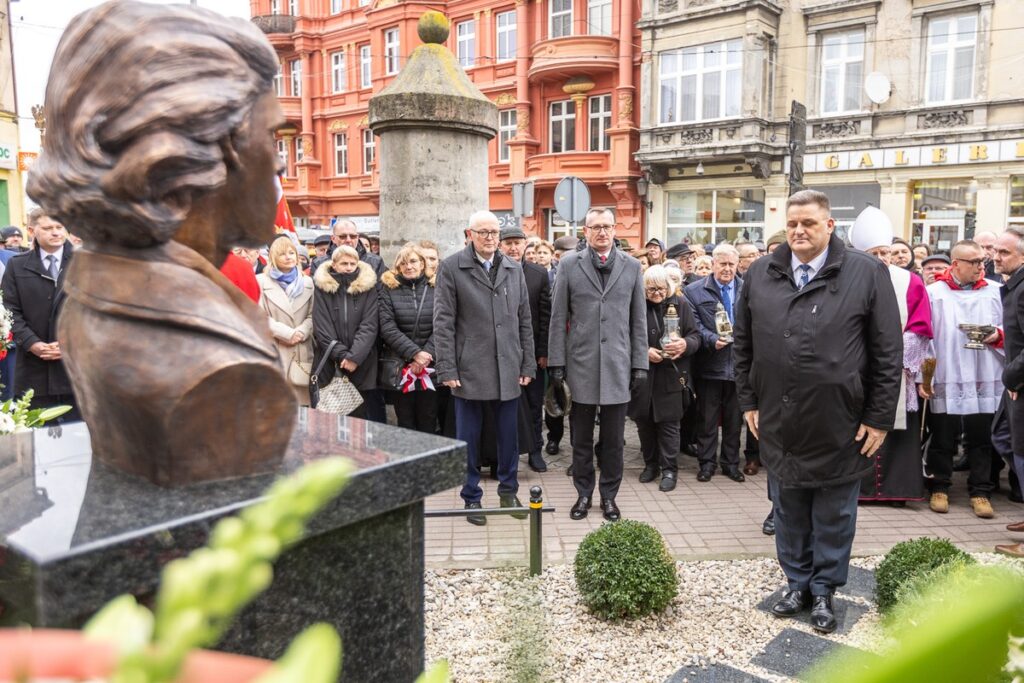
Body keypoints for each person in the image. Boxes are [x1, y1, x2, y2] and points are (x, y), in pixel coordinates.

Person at [734, 189, 902, 634]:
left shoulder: (866, 272)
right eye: (792, 224)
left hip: (841, 420)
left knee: (834, 511)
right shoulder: (761, 273)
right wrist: (748, 401)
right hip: (779, 417)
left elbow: (888, 351)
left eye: (808, 223)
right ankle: (796, 582)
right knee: (787, 506)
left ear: (830, 225)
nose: (798, 231)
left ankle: (825, 588)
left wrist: (879, 417)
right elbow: (743, 345)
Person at [433, 210, 535, 526]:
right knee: (469, 438)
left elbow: (524, 320)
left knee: (509, 436)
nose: (491, 238)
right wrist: (447, 368)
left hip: (508, 366)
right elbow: (443, 322)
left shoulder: (512, 268)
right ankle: (470, 497)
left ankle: (508, 491)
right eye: (483, 232)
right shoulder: (452, 267)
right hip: (469, 368)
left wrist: (527, 361)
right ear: (470, 234)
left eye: (494, 232)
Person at [549, 207, 647, 522]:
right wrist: (556, 363)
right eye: (595, 227)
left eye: (606, 226)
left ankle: (609, 497)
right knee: (579, 438)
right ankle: (582, 494)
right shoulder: (568, 265)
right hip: (580, 365)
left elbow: (639, 320)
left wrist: (639, 363)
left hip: (618, 365)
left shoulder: (632, 267)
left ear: (615, 230)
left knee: (614, 441)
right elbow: (558, 317)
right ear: (585, 231)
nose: (601, 232)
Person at [847, 207, 932, 504]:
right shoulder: (846, 279)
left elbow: (921, 327)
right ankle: (859, 489)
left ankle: (895, 490)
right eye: (875, 252)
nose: (882, 258)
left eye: (886, 251)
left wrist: (892, 347)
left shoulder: (910, 281)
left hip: (896, 372)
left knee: (895, 429)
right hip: (855, 369)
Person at [923, 240, 1004, 518]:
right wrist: (927, 376)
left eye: (983, 261)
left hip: (984, 373)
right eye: (974, 262)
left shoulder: (996, 292)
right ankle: (940, 486)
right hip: (947, 373)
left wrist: (998, 335)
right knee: (943, 434)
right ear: (955, 264)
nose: (981, 266)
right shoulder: (934, 293)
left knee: (981, 437)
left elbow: (1012, 326)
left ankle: (981, 491)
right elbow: (924, 335)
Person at [0, 209, 79, 420]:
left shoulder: (84, 263)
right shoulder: (16, 266)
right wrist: (32, 343)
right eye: (47, 228)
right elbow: (10, 311)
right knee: (40, 441)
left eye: (59, 227)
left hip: (77, 370)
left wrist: (69, 344)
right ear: (31, 230)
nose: (55, 233)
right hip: (34, 371)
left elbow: (95, 313)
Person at [630, 265, 700, 492]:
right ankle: (651, 465)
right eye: (650, 289)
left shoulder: (680, 304)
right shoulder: (636, 305)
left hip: (671, 374)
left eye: (661, 289)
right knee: (644, 423)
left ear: (669, 287)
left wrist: (685, 345)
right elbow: (624, 336)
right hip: (643, 375)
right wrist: (644, 351)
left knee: (670, 425)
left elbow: (695, 336)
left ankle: (670, 469)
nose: (656, 294)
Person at [684, 244, 746, 483]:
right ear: (713, 264)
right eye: (723, 264)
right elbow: (693, 323)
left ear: (737, 264)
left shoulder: (747, 288)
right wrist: (711, 340)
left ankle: (730, 464)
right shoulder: (695, 290)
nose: (727, 269)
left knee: (733, 420)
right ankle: (706, 464)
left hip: (739, 366)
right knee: (707, 419)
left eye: (732, 264)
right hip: (710, 365)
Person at [499, 225, 550, 472]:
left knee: (533, 404)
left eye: (517, 242)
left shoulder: (538, 274)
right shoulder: (494, 270)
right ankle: (505, 451)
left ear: (525, 245)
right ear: (500, 245)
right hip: (502, 352)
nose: (513, 247)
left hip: (530, 352)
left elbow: (545, 316)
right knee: (505, 405)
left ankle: (535, 451)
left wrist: (542, 352)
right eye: (508, 242)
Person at [311, 245, 379, 417]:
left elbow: (369, 325)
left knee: (361, 418)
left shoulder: (368, 288)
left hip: (362, 363)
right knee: (331, 418)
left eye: (352, 263)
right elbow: (322, 327)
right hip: (331, 362)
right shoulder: (322, 288)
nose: (349, 267)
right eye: (344, 263)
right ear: (334, 265)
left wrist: (354, 357)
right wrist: (342, 356)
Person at [379, 242, 438, 434]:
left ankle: (429, 462)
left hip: (431, 365)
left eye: (413, 261)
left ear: (422, 263)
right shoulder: (388, 289)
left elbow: (444, 324)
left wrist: (426, 354)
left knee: (429, 417)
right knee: (405, 420)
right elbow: (387, 327)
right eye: (403, 263)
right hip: (401, 365)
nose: (408, 266)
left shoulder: (436, 287)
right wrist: (414, 354)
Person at [257, 235, 314, 406]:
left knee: (302, 406)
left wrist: (301, 332)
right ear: (273, 257)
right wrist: (287, 333)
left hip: (301, 349)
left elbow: (313, 315)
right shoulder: (260, 281)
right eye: (283, 254)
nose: (289, 257)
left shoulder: (308, 283)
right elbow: (258, 315)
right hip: (275, 347)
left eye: (292, 252)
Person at [994, 227, 1024, 557]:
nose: (996, 257)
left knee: (1021, 454)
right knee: (1003, 438)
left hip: (1019, 383)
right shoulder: (1013, 285)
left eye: (1004, 253)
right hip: (1017, 383)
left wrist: (1012, 378)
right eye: (996, 251)